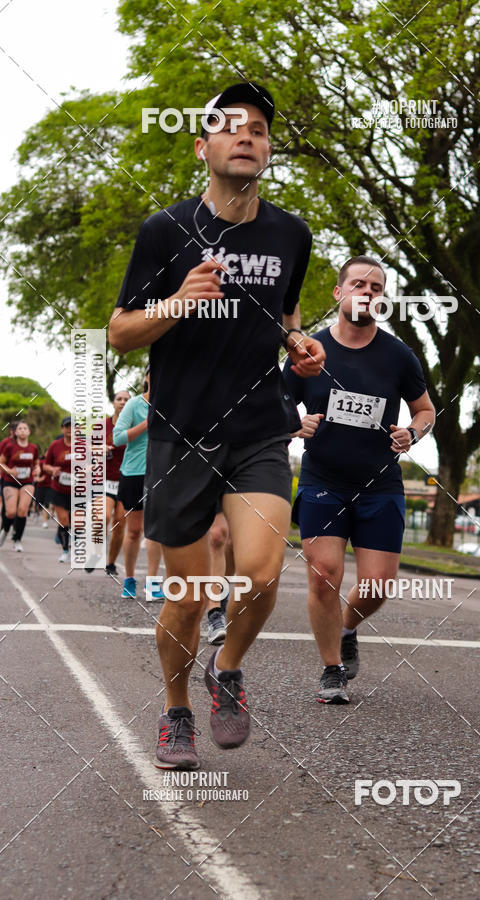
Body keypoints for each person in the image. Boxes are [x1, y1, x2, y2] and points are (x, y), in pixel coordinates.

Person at [109, 80, 325, 769]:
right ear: (203, 147)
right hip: (181, 433)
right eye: (233, 128)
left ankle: (226, 670)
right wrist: (178, 300)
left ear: (266, 150)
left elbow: (285, 314)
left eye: (259, 129)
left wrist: (298, 344)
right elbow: (120, 332)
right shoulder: (165, 231)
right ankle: (176, 710)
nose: (247, 137)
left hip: (261, 426)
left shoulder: (292, 233)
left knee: (260, 577)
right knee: (190, 593)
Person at [283, 257, 436, 703]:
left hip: (379, 483)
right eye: (358, 284)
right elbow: (271, 405)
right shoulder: (307, 351)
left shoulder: (397, 355)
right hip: (322, 478)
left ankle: (348, 628)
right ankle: (332, 669)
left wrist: (414, 432)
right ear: (339, 293)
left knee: (376, 586)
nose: (367, 292)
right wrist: (294, 426)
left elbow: (425, 410)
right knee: (324, 574)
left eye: (376, 287)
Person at [112, 369, 163, 600]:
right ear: (146, 378)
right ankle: (129, 580)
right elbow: (118, 438)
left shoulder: (173, 404)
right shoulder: (134, 404)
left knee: (155, 531)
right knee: (134, 531)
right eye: (154, 370)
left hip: (163, 473)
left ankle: (153, 585)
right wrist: (147, 423)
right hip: (134, 473)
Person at [0, 421, 40, 551]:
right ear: (16, 432)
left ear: (29, 432)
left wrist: (38, 469)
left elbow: (36, 463)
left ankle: (17, 540)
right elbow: (1, 463)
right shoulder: (10, 447)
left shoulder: (33, 447)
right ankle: (5, 531)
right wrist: (10, 471)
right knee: (10, 512)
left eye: (25, 428)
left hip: (27, 482)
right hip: (10, 482)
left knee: (22, 511)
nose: (23, 430)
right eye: (20, 428)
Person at [103, 389, 130, 576]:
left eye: (126, 399)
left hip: (126, 480)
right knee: (103, 517)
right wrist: (98, 447)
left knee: (120, 523)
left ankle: (110, 563)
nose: (122, 402)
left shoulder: (135, 426)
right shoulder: (103, 426)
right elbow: (87, 448)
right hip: (105, 480)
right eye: (119, 399)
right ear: (113, 403)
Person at [44, 417, 73, 563]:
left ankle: (75, 545)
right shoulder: (55, 445)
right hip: (59, 489)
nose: (70, 429)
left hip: (78, 490)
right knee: (63, 520)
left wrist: (85, 471)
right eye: (67, 426)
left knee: (78, 522)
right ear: (62, 428)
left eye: (73, 426)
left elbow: (92, 463)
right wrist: (52, 469)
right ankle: (65, 551)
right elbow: (46, 465)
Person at [205, 506, 235, 645]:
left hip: (243, 486)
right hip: (215, 484)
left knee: (232, 542)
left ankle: (221, 591)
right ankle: (214, 612)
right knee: (217, 535)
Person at [0, 422, 18, 541]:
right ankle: (4, 527)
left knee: (20, 508)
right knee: (7, 505)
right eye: (16, 430)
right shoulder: (5, 443)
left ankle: (16, 531)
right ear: (12, 431)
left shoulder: (28, 445)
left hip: (23, 481)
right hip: (6, 478)